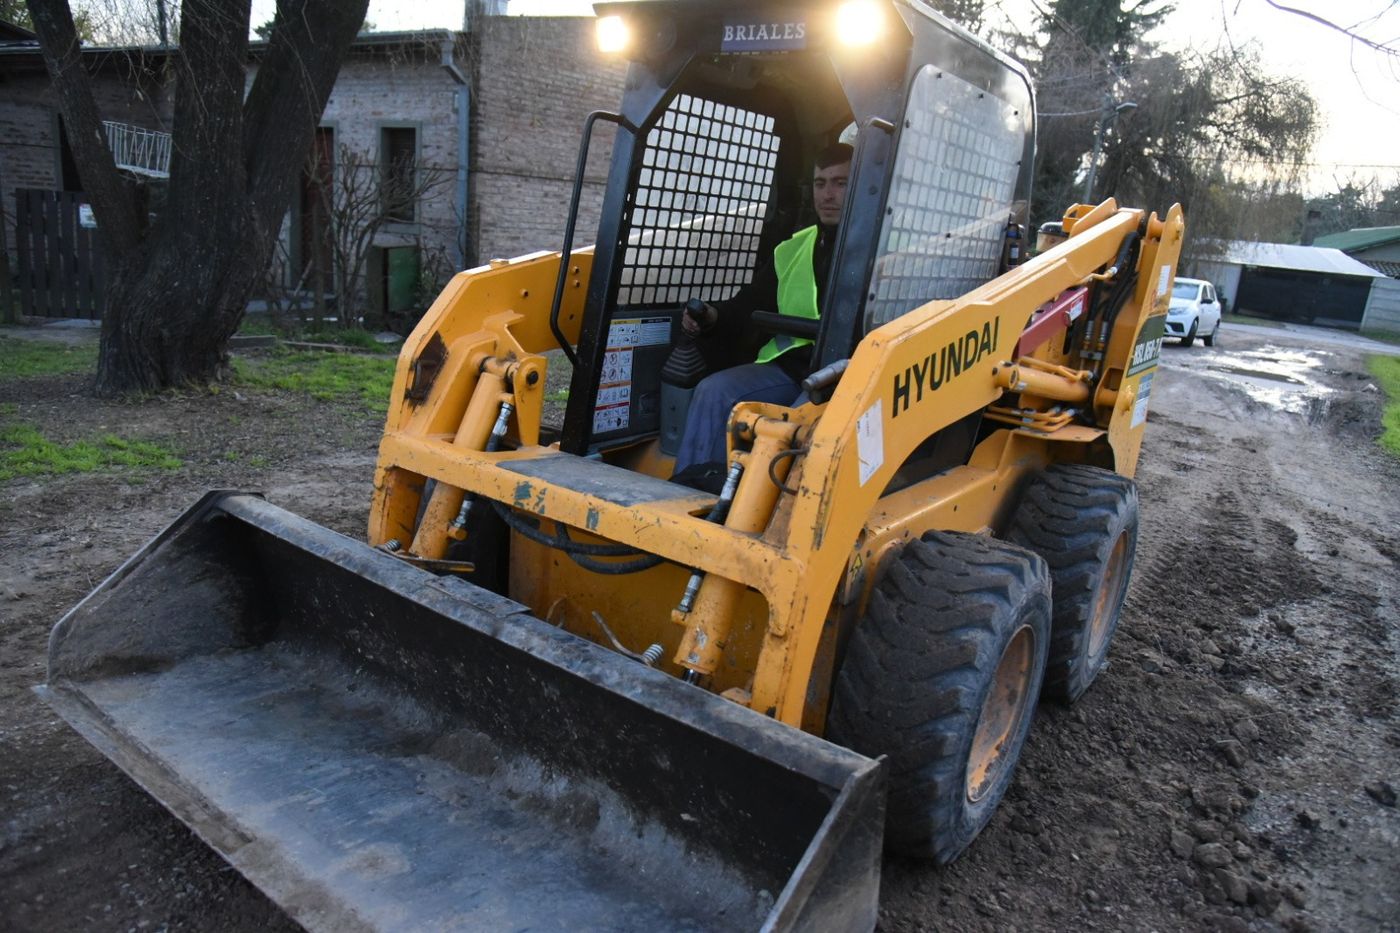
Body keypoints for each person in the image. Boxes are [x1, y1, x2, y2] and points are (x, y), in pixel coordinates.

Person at [671, 142, 851, 477]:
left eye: (841, 183)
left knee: (800, 424)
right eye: (820, 183)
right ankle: (691, 489)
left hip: (850, 378)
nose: (828, 194)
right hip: (791, 371)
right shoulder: (793, 249)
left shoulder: (888, 250)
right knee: (715, 390)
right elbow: (751, 303)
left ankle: (766, 518)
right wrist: (712, 316)